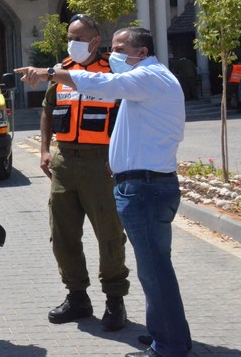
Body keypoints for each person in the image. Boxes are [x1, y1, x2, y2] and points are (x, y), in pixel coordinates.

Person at [16, 27, 191, 357]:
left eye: (119, 47)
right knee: (154, 270)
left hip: (147, 187)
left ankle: (169, 345)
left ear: (140, 51)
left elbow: (103, 84)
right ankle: (166, 335)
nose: (113, 54)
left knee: (154, 272)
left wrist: (50, 72)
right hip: (141, 184)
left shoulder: (147, 77)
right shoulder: (148, 79)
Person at [40, 14, 129, 332]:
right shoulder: (64, 70)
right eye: (69, 36)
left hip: (100, 163)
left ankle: (115, 300)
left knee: (109, 234)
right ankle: (77, 296)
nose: (72, 42)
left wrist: (121, 157)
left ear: (94, 40)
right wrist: (45, 150)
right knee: (63, 235)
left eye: (78, 37)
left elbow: (131, 114)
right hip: (65, 163)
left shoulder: (114, 72)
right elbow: (48, 110)